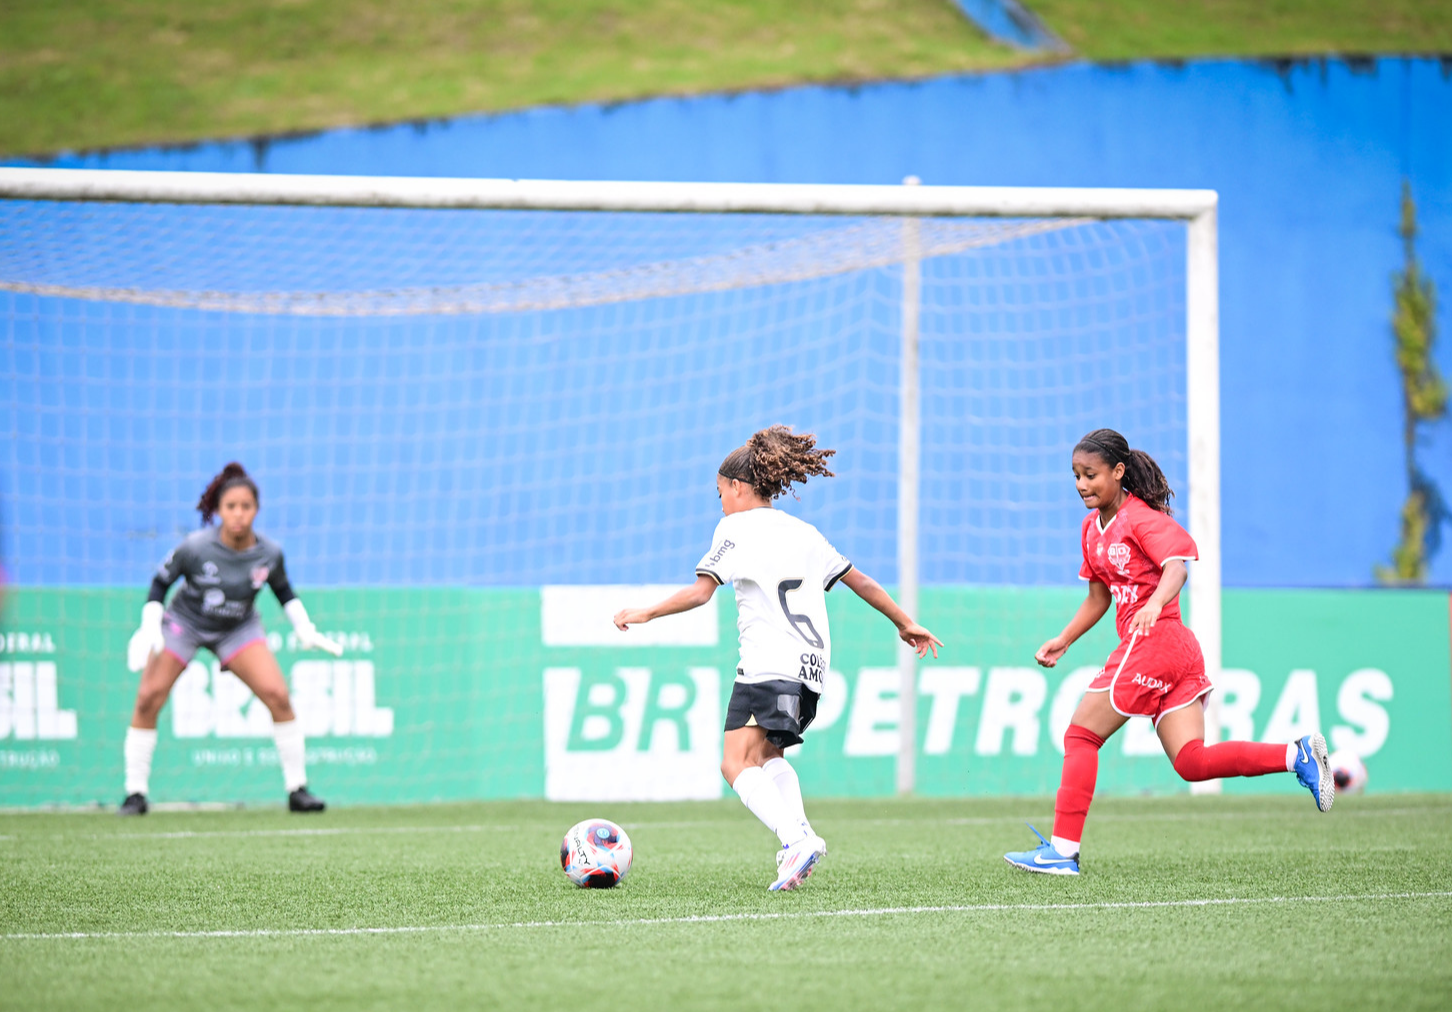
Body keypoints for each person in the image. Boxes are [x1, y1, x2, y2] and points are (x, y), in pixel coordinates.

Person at [614, 425, 942, 891]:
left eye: (720, 492)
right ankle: (803, 835)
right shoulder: (805, 532)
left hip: (767, 663)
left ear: (737, 486)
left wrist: (646, 611)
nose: (720, 503)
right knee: (768, 755)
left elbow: (701, 592)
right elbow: (861, 580)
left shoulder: (733, 527)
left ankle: (794, 840)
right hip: (811, 670)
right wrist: (904, 622)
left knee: (734, 762)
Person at [1005, 429, 1334, 876]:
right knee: (1192, 762)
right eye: (1076, 476)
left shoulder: (1140, 519)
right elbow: (1099, 598)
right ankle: (1295, 755)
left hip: (1156, 641)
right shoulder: (1091, 529)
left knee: (1082, 735)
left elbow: (1176, 567)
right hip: (1172, 652)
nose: (1082, 485)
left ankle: (1063, 851)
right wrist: (1065, 639)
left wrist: (1155, 604)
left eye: (1091, 475)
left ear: (1119, 472)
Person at [119, 462, 342, 816]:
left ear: (256, 509)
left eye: (246, 506)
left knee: (278, 695)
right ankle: (135, 793)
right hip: (184, 624)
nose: (238, 514)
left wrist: (304, 627)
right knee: (148, 697)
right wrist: (149, 626)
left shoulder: (269, 552)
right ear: (219, 510)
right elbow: (160, 584)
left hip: (238, 627)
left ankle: (297, 789)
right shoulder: (195, 547)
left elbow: (284, 592)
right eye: (230, 507)